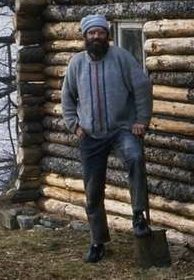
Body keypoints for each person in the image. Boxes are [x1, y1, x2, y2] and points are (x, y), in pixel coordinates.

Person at [60, 14, 153, 263]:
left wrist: (141, 120)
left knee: (135, 158)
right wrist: (75, 126)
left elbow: (142, 87)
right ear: (85, 36)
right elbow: (67, 97)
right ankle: (98, 241)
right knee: (92, 190)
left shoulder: (122, 58)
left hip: (121, 129)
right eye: (91, 33)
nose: (96, 37)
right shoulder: (76, 64)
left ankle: (139, 217)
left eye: (100, 32)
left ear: (107, 35)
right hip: (90, 135)